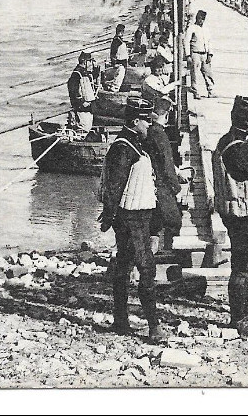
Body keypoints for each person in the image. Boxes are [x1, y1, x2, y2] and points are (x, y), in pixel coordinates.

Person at [98, 98, 162, 341]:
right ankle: (153, 326)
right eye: (147, 121)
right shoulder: (123, 148)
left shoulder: (136, 144)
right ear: (135, 122)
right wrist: (110, 217)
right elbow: (114, 187)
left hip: (140, 215)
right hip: (131, 217)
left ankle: (121, 320)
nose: (150, 125)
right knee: (146, 268)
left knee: (125, 267)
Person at [212, 96, 248, 336]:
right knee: (245, 265)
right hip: (244, 211)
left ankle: (247, 308)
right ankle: (240, 317)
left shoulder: (229, 141)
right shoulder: (238, 147)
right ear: (247, 121)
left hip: (237, 209)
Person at [145, 95, 189, 240]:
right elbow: (167, 164)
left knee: (156, 221)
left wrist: (177, 171)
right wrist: (176, 190)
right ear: (167, 114)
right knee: (174, 221)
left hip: (151, 183)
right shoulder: (160, 135)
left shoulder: (150, 132)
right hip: (162, 185)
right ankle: (168, 250)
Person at [184, 9, 215, 99]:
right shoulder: (191, 28)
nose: (201, 20)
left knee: (208, 73)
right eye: (200, 18)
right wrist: (188, 55)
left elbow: (209, 42)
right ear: (197, 18)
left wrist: (210, 54)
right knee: (195, 74)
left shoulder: (206, 28)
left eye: (203, 19)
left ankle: (210, 91)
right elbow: (186, 42)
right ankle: (195, 92)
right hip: (195, 54)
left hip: (204, 54)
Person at [66, 51, 98, 132]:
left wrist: (96, 69)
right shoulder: (77, 74)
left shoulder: (84, 72)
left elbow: (93, 77)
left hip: (88, 108)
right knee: (84, 129)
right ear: (85, 61)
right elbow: (73, 91)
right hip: (82, 109)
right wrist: (81, 102)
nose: (91, 63)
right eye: (90, 61)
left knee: (87, 127)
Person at [107, 24, 129, 92]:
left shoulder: (119, 40)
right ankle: (114, 89)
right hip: (120, 62)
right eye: (122, 31)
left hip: (123, 62)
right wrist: (114, 63)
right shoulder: (116, 41)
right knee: (119, 76)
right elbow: (113, 53)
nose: (122, 33)